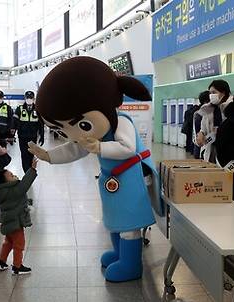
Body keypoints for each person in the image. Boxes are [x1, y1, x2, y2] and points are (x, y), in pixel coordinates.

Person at [27, 57, 162, 283]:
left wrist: (100, 147)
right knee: (115, 219)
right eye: (62, 129)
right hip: (113, 180)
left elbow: (128, 148)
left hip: (131, 178)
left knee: (129, 223)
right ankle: (120, 254)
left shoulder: (122, 122)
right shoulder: (96, 133)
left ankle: (131, 264)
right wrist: (48, 155)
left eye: (82, 125)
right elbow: (75, 149)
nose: (74, 134)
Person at [0, 158, 38, 275]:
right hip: (16, 222)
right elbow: (24, 185)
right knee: (19, 244)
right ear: (5, 183)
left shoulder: (0, 192)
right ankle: (17, 266)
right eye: (11, 176)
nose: (14, 176)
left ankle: (1, 261)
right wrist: (32, 169)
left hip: (8, 222)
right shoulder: (12, 191)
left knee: (8, 242)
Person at [196, 80, 232, 163]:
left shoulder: (231, 107)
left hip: (226, 150)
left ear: (223, 93)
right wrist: (201, 133)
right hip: (210, 148)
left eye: (214, 92)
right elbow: (203, 128)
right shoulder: (207, 109)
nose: (211, 95)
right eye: (210, 93)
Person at [14, 91, 44, 173]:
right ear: (25, 98)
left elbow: (41, 123)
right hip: (22, 136)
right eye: (27, 98)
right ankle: (26, 172)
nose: (29, 99)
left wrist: (42, 135)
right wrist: (12, 134)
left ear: (33, 99)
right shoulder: (19, 109)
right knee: (24, 155)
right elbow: (14, 122)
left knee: (31, 154)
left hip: (33, 136)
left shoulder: (38, 109)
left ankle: (30, 171)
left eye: (31, 98)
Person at [182, 91, 209, 156]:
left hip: (199, 145)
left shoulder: (198, 112)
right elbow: (199, 131)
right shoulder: (200, 113)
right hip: (202, 147)